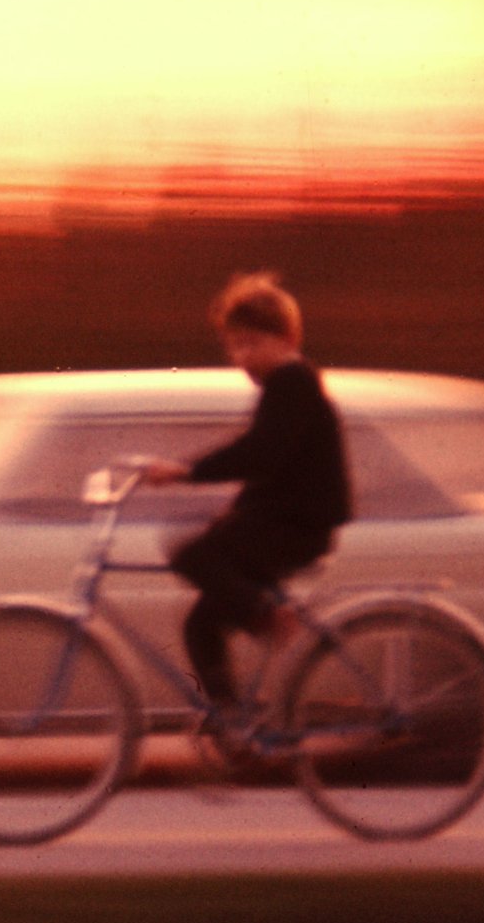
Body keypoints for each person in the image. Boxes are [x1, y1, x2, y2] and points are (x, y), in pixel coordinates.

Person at [142, 272, 352, 729]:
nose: (242, 357)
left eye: (253, 343)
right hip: (285, 521)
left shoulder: (291, 383)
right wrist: (237, 510)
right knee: (200, 621)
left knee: (192, 553)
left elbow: (260, 453)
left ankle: (270, 617)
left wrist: (186, 471)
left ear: (289, 338)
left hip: (298, 528)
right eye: (234, 347)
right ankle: (230, 722)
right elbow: (274, 464)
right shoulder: (289, 386)